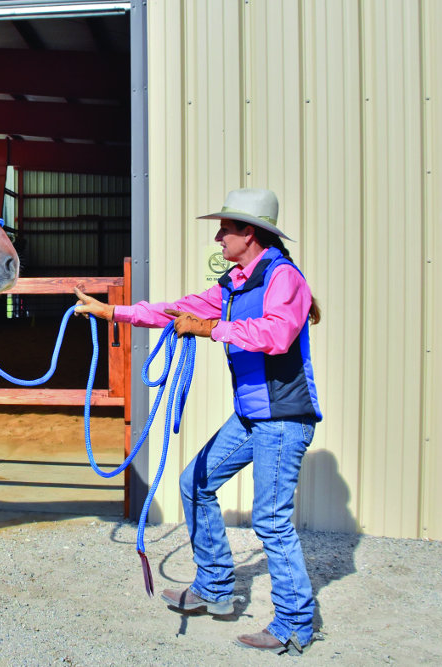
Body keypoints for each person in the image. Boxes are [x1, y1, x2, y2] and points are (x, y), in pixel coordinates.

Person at [74, 188, 322, 656]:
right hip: (253, 416)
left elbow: (277, 334)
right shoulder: (234, 283)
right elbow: (177, 311)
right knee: (195, 482)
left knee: (271, 520)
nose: (218, 236)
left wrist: (212, 329)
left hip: (284, 418)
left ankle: (295, 623)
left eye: (226, 229)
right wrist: (115, 312)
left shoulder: (283, 277)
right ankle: (216, 588)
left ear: (249, 232)